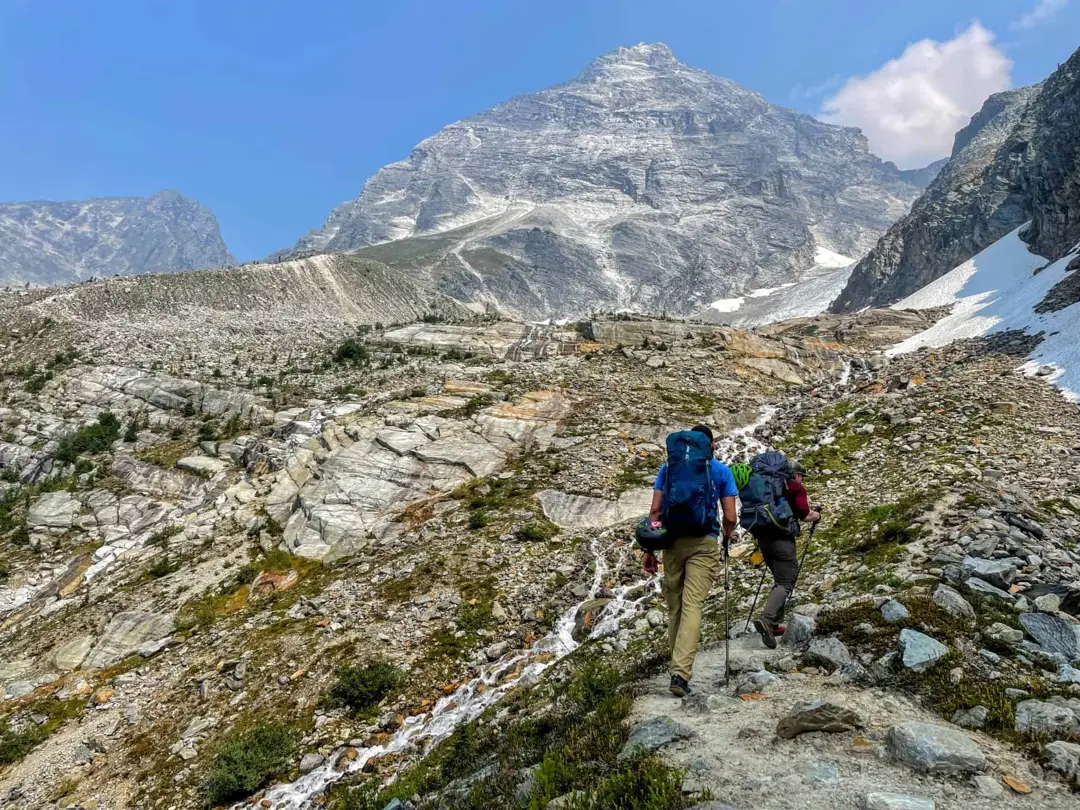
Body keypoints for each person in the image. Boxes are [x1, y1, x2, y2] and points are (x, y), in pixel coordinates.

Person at [643, 425, 738, 697]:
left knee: (675, 607)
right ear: (710, 447)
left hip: (671, 542)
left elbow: (655, 511)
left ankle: (676, 668)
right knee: (692, 606)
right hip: (704, 541)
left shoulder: (669, 469)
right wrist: (726, 537)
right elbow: (730, 517)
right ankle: (680, 675)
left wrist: (649, 550)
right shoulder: (721, 471)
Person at [751, 459, 819, 649]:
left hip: (764, 540)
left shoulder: (768, 487)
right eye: (801, 476)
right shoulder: (795, 488)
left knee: (779, 578)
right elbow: (805, 515)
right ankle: (766, 619)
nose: (801, 479)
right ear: (795, 474)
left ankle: (773, 625)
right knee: (786, 581)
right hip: (782, 539)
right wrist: (818, 515)